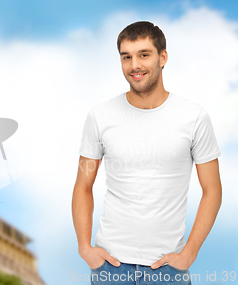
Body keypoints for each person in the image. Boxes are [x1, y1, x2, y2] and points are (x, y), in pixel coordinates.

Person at [72, 21, 222, 284]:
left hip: (168, 268)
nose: (134, 66)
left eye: (144, 54)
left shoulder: (194, 117)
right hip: (110, 267)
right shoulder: (100, 116)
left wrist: (189, 254)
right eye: (126, 57)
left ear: (162, 57)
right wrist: (84, 247)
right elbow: (83, 184)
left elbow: (212, 190)